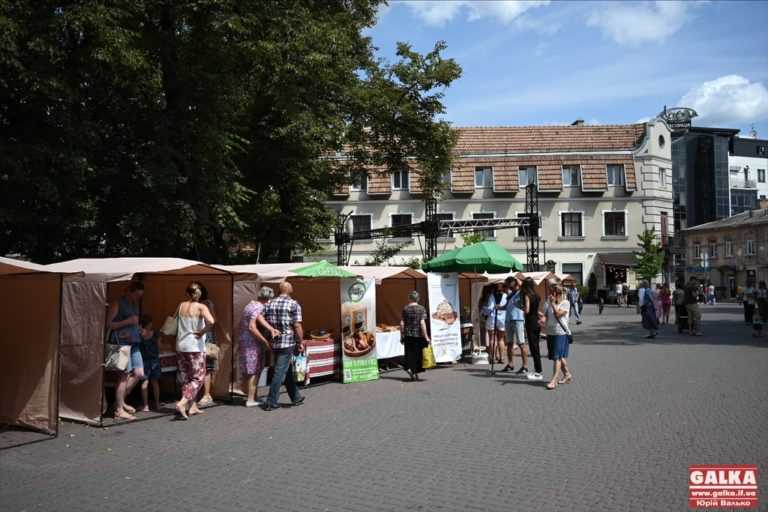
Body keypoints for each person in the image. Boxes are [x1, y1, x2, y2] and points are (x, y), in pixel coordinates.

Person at [174, 281, 215, 420]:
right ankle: (183, 403)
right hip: (194, 346)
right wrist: (202, 332)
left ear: (188, 293)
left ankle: (192, 407)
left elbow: (174, 320)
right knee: (198, 377)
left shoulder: (181, 305)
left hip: (181, 345)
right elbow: (212, 322)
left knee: (186, 377)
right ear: (199, 293)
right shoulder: (201, 307)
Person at [263, 282, 305, 411]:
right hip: (287, 341)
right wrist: (300, 341)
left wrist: (270, 331)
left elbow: (262, 318)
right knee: (280, 371)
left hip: (275, 341)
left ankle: (295, 396)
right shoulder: (293, 304)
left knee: (285, 369)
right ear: (289, 289)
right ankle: (271, 402)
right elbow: (297, 325)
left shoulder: (269, 303)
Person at [106, 281, 145, 421]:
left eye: (140, 296)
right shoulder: (117, 303)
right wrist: (127, 322)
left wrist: (140, 330)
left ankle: (119, 402)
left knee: (139, 373)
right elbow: (109, 324)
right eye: (136, 295)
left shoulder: (135, 305)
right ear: (129, 291)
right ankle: (119, 410)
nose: (138, 299)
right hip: (121, 344)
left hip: (134, 342)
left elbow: (135, 323)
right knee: (123, 376)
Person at [239, 287, 280, 407]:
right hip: (252, 343)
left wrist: (271, 329)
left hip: (244, 341)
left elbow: (259, 319)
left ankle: (253, 396)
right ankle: (250, 399)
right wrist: (264, 342)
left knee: (251, 370)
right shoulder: (259, 307)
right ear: (268, 299)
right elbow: (252, 327)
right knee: (254, 370)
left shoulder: (250, 305)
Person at [540, 285, 572, 390]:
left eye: (553, 293)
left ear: (559, 293)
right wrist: (543, 320)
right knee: (558, 356)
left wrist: (553, 303)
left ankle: (554, 380)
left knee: (557, 357)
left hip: (561, 332)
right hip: (551, 332)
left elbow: (558, 315)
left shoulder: (565, 303)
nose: (551, 295)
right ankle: (567, 374)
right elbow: (545, 315)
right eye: (550, 293)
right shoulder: (548, 302)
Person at [400, 291, 431, 381]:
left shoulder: (405, 309)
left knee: (408, 354)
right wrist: (426, 336)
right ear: (418, 298)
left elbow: (402, 323)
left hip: (408, 335)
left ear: (409, 298)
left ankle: (410, 370)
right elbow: (422, 323)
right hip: (418, 335)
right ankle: (415, 372)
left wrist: (401, 335)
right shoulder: (421, 309)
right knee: (417, 355)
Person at [501, 276, 528, 374]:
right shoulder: (510, 294)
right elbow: (507, 306)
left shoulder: (521, 292)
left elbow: (524, 288)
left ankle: (525, 366)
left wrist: (517, 281)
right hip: (508, 319)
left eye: (508, 283)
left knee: (521, 343)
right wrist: (500, 307)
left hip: (518, 319)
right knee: (509, 343)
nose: (507, 286)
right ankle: (510, 364)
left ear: (514, 283)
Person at [197, 284, 217, 408]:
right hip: (201, 338)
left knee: (207, 368)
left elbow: (214, 320)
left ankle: (207, 394)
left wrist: (203, 330)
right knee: (201, 367)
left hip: (206, 338)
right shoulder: (195, 305)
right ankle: (204, 394)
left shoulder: (207, 304)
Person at [521, 277, 543, 381]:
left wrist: (522, 309)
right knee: (536, 346)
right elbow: (536, 310)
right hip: (536, 321)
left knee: (533, 347)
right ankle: (537, 370)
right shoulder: (536, 295)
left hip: (530, 322)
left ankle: (538, 371)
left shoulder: (527, 295)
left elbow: (527, 310)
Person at [138, 315, 162, 412]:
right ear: (149, 323)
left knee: (145, 382)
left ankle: (146, 405)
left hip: (144, 360)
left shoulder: (140, 334)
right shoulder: (156, 333)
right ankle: (157, 404)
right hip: (155, 360)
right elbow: (159, 346)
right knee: (155, 382)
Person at [485, 283, 507, 365]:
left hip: (492, 318)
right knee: (501, 339)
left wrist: (485, 311)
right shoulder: (505, 296)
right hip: (502, 319)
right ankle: (502, 357)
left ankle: (492, 357)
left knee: (492, 338)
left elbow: (490, 308)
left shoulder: (491, 296)